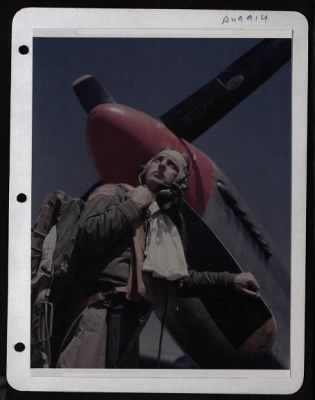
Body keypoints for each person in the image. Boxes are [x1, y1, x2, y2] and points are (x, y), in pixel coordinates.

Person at [56, 148, 259, 368]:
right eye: (158, 160)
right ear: (146, 168)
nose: (162, 165)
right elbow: (88, 236)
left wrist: (230, 280)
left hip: (132, 326)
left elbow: (179, 279)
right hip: (98, 314)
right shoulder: (114, 193)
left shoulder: (164, 226)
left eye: (172, 165)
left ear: (179, 184)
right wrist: (134, 205)